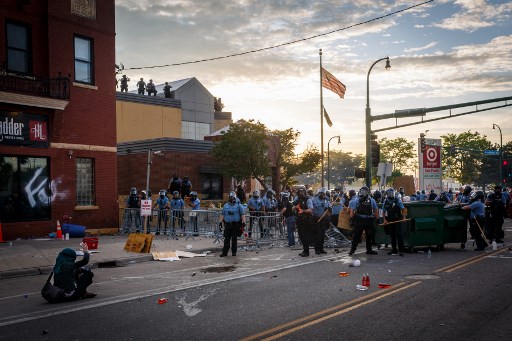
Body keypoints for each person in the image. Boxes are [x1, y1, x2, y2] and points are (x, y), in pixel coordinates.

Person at [349, 186, 379, 255]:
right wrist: (351, 219)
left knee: (369, 236)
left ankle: (369, 250)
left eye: (364, 191)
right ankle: (352, 250)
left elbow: (375, 210)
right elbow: (352, 210)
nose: (362, 193)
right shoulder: (357, 200)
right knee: (356, 236)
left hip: (369, 220)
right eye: (362, 191)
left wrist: (377, 218)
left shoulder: (371, 200)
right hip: (360, 220)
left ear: (367, 192)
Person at [218, 191, 246, 257]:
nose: (231, 199)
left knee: (234, 239)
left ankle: (234, 252)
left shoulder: (239, 205)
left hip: (235, 224)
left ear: (235, 198)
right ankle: (224, 252)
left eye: (232, 197)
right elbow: (222, 214)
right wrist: (220, 222)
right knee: (226, 239)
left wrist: (243, 222)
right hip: (228, 224)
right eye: (230, 197)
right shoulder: (225, 205)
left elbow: (242, 214)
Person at [382, 188, 406, 256]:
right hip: (390, 220)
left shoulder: (397, 200)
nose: (391, 194)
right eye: (389, 193)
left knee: (399, 235)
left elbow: (403, 209)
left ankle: (401, 250)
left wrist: (404, 217)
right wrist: (384, 219)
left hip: (398, 219)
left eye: (392, 193)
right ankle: (394, 250)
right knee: (392, 235)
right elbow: (383, 211)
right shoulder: (386, 201)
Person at [292, 186, 314, 257]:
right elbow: (292, 208)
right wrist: (295, 207)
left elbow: (310, 210)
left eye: (303, 192)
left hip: (306, 220)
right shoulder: (297, 199)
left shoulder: (308, 199)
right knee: (301, 236)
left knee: (305, 236)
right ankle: (304, 250)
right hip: (299, 220)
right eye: (300, 192)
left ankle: (306, 251)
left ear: (305, 192)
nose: (301, 193)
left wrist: (303, 211)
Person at [312, 187, 331, 255]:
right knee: (318, 235)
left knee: (322, 235)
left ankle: (321, 248)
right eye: (321, 193)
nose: (322, 195)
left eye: (324, 194)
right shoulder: (314, 199)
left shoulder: (326, 200)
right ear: (319, 193)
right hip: (316, 218)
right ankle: (317, 249)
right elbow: (312, 208)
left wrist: (329, 209)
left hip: (324, 219)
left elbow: (329, 210)